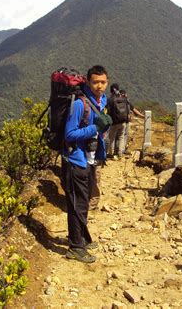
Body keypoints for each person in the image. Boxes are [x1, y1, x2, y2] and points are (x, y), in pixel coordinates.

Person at [62, 65, 112, 263]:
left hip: (90, 159)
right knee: (77, 205)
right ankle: (75, 247)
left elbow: (99, 131)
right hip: (75, 160)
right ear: (88, 83)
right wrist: (94, 128)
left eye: (103, 82)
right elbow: (70, 134)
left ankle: (82, 238)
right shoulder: (80, 105)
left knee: (83, 203)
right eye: (95, 82)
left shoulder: (102, 101)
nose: (99, 86)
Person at [119, 89, 144, 155]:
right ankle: (120, 151)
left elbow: (133, 109)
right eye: (125, 94)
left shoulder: (125, 102)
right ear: (123, 94)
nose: (126, 95)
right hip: (123, 121)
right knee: (122, 136)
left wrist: (141, 115)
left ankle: (120, 150)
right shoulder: (124, 102)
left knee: (123, 136)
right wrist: (141, 115)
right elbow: (133, 109)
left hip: (123, 121)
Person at [107, 83, 128, 159]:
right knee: (121, 137)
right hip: (123, 121)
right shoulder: (123, 98)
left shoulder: (110, 99)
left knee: (112, 138)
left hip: (114, 122)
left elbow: (108, 111)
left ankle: (111, 153)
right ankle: (120, 153)